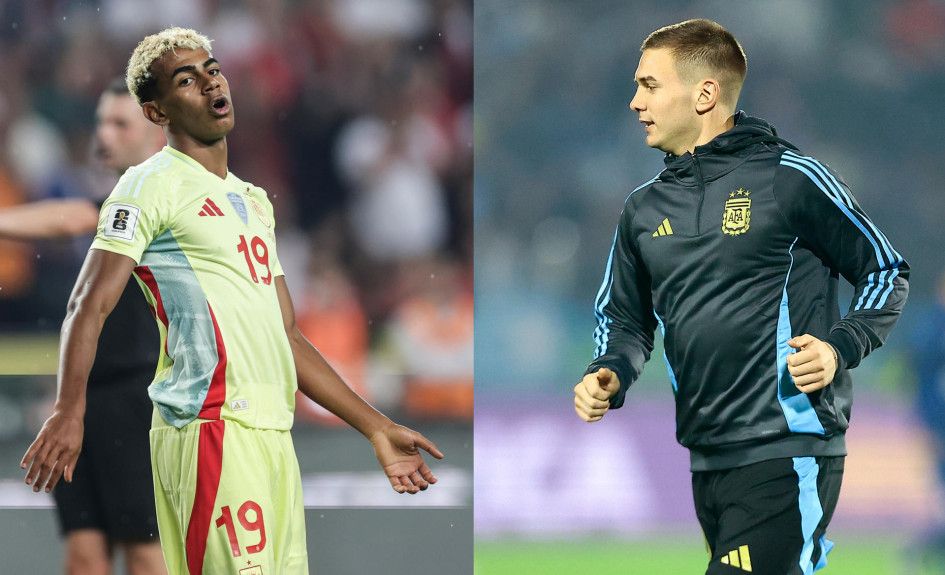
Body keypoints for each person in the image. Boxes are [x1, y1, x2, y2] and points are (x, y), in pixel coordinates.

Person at [21, 27, 443, 575]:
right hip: (211, 427)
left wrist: (375, 426)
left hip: (272, 435)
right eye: (186, 79)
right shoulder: (148, 185)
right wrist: (68, 410)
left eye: (211, 68)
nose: (209, 82)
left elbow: (285, 334)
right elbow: (88, 303)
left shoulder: (253, 201)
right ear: (156, 112)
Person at [572, 19, 908, 575]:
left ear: (705, 93)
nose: (635, 102)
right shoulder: (644, 209)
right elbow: (625, 318)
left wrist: (838, 347)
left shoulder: (790, 178)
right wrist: (609, 371)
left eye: (649, 85)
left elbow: (885, 270)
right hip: (708, 457)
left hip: (788, 447)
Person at [0, 78, 168, 575]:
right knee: (84, 554)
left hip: (139, 398)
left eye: (120, 123)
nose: (104, 134)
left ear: (159, 134)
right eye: (101, 121)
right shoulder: (117, 198)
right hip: (82, 397)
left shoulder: (163, 197)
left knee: (145, 552)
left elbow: (73, 218)